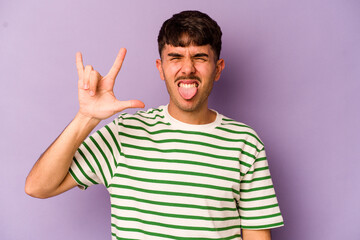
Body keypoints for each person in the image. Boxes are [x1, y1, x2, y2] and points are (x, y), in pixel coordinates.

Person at [25, 10, 283, 240]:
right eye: (176, 57)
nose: (187, 68)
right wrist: (87, 117)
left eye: (200, 57)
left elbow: (257, 235)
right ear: (161, 68)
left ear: (217, 68)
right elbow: (38, 187)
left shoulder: (245, 143)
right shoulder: (125, 133)